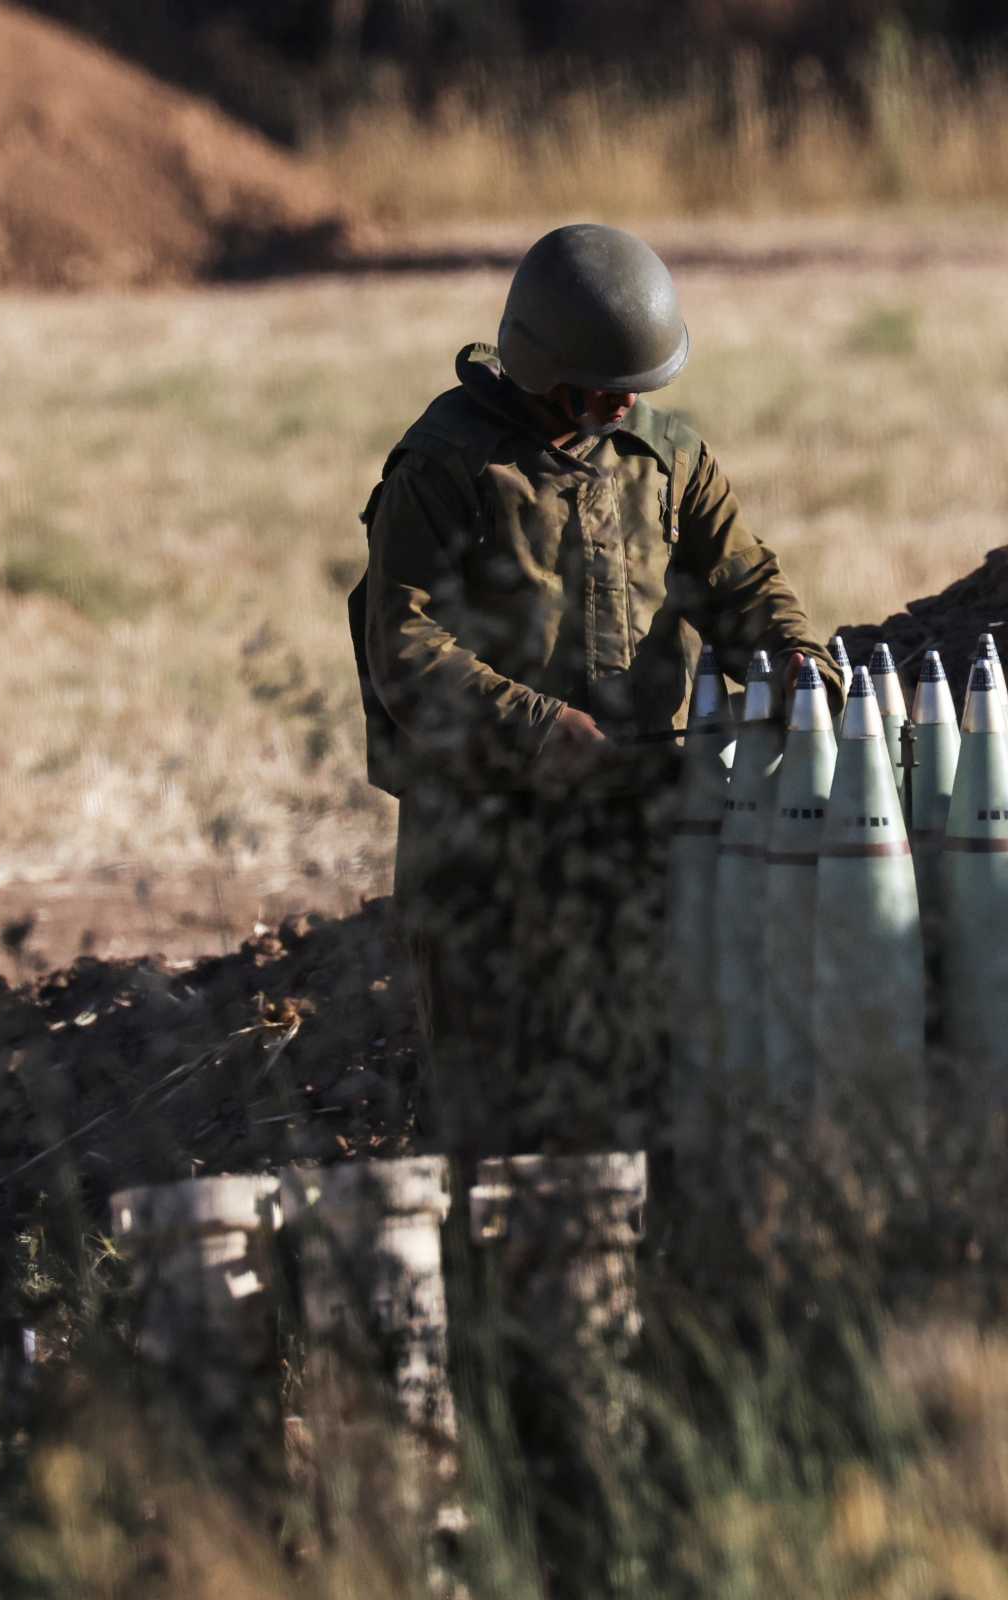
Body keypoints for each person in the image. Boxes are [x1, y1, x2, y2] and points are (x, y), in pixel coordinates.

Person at [352, 224, 841, 1161]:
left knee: (651, 1094)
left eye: (638, 389)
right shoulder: (445, 466)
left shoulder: (668, 460)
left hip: (644, 837)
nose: (624, 405)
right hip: (486, 851)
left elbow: (742, 583)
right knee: (501, 1124)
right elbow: (404, 647)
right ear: (543, 368)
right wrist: (538, 732)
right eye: (607, 388)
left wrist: (792, 659)